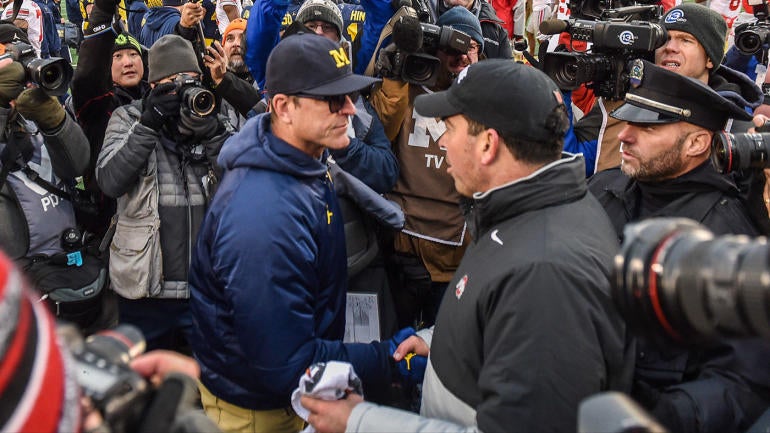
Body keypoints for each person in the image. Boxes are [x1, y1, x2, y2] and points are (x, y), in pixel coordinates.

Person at [301, 59, 632, 433]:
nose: (441, 142)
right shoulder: (524, 208)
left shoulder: (546, 277)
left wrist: (359, 422)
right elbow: (501, 320)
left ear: (488, 143)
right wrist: (440, 341)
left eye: (450, 128)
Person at [188, 33, 417, 433]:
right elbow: (285, 363)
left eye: (350, 95)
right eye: (332, 99)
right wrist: (392, 360)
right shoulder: (261, 214)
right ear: (283, 107)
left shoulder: (305, 163)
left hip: (293, 394)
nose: (349, 108)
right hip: (262, 409)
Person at [588, 59, 770, 433]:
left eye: (647, 126)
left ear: (698, 143)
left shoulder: (727, 236)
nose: (625, 135)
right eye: (628, 120)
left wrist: (660, 418)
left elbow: (740, 382)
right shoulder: (600, 190)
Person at [96, 34, 232, 352]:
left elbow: (241, 188)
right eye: (174, 82)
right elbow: (110, 180)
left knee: (203, 386)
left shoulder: (213, 117)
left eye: (192, 80)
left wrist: (213, 135)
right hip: (145, 290)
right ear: (155, 86)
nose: (185, 89)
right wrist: (149, 123)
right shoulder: (128, 117)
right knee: (145, 389)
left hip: (205, 291)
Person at [371, 6, 483, 330]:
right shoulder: (409, 88)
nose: (462, 56)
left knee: (443, 347)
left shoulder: (489, 99)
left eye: (471, 46)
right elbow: (381, 127)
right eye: (453, 47)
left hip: (456, 257)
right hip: (406, 249)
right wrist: (397, 70)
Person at [568, 2, 763, 177]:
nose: (670, 47)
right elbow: (571, 160)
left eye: (686, 40)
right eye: (664, 39)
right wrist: (558, 95)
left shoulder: (733, 123)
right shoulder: (620, 101)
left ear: (710, 58)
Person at [72, 0, 150, 236]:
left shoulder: (157, 99)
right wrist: (104, 10)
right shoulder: (99, 103)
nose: (128, 62)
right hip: (112, 226)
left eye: (133, 54)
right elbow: (87, 75)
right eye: (117, 56)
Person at [427, 0, 512, 59]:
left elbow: (507, 79)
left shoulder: (495, 32)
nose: (462, 57)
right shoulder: (420, 16)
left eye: (471, 47)